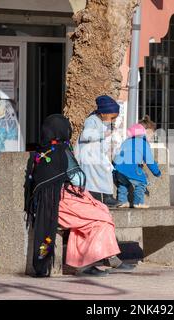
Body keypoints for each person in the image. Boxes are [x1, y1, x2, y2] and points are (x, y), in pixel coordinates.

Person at [25, 114, 134, 277]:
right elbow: (78, 179)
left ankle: (90, 261)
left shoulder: (41, 152)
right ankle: (91, 262)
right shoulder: (62, 151)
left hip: (48, 205)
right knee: (101, 217)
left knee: (98, 215)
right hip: (61, 204)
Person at [74, 95, 120, 207]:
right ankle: (102, 197)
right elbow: (86, 135)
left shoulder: (102, 122)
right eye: (112, 117)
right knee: (97, 175)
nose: (113, 121)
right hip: (89, 156)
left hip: (96, 155)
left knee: (105, 172)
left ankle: (106, 196)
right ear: (103, 113)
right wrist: (103, 134)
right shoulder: (91, 120)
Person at [113, 116, 161, 209]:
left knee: (123, 184)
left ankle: (122, 201)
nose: (152, 137)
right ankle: (138, 202)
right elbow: (150, 161)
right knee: (142, 181)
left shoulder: (126, 141)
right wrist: (157, 172)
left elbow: (119, 154)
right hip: (131, 167)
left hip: (117, 168)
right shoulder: (143, 143)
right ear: (146, 132)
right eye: (151, 134)